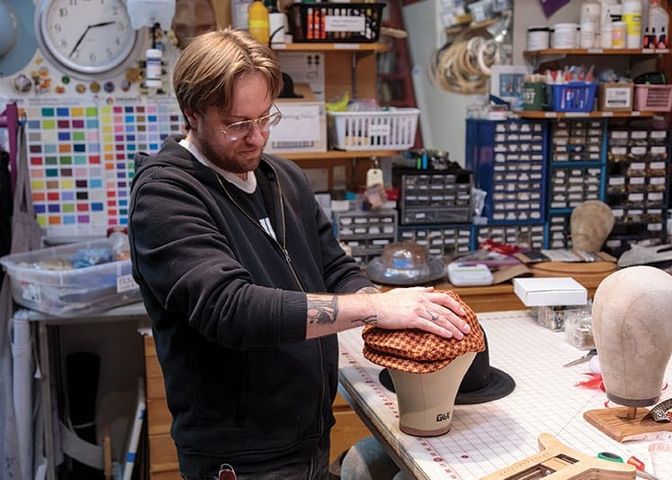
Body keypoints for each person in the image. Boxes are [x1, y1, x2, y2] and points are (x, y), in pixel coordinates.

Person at [129, 29, 470, 480]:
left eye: (265, 118)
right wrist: (375, 306)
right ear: (192, 113)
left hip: (308, 434)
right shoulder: (165, 195)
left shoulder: (282, 178)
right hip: (240, 457)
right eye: (237, 124)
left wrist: (391, 313)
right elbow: (232, 309)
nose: (257, 137)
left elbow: (335, 267)